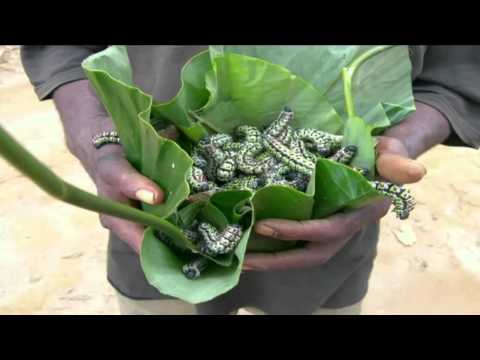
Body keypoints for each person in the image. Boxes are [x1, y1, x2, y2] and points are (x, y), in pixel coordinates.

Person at [20, 46, 480, 315]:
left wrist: (388, 156)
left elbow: (458, 67)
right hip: (157, 217)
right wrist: (98, 135)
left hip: (333, 237)